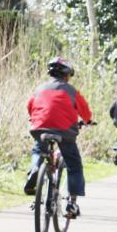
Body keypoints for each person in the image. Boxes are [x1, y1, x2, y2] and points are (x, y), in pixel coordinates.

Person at [24, 57, 92, 218]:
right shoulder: (71, 91)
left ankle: (35, 169)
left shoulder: (39, 88)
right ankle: (72, 204)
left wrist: (35, 118)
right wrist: (87, 121)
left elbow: (30, 106)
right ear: (67, 75)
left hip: (40, 128)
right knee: (74, 165)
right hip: (65, 131)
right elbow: (85, 111)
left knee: (38, 151)